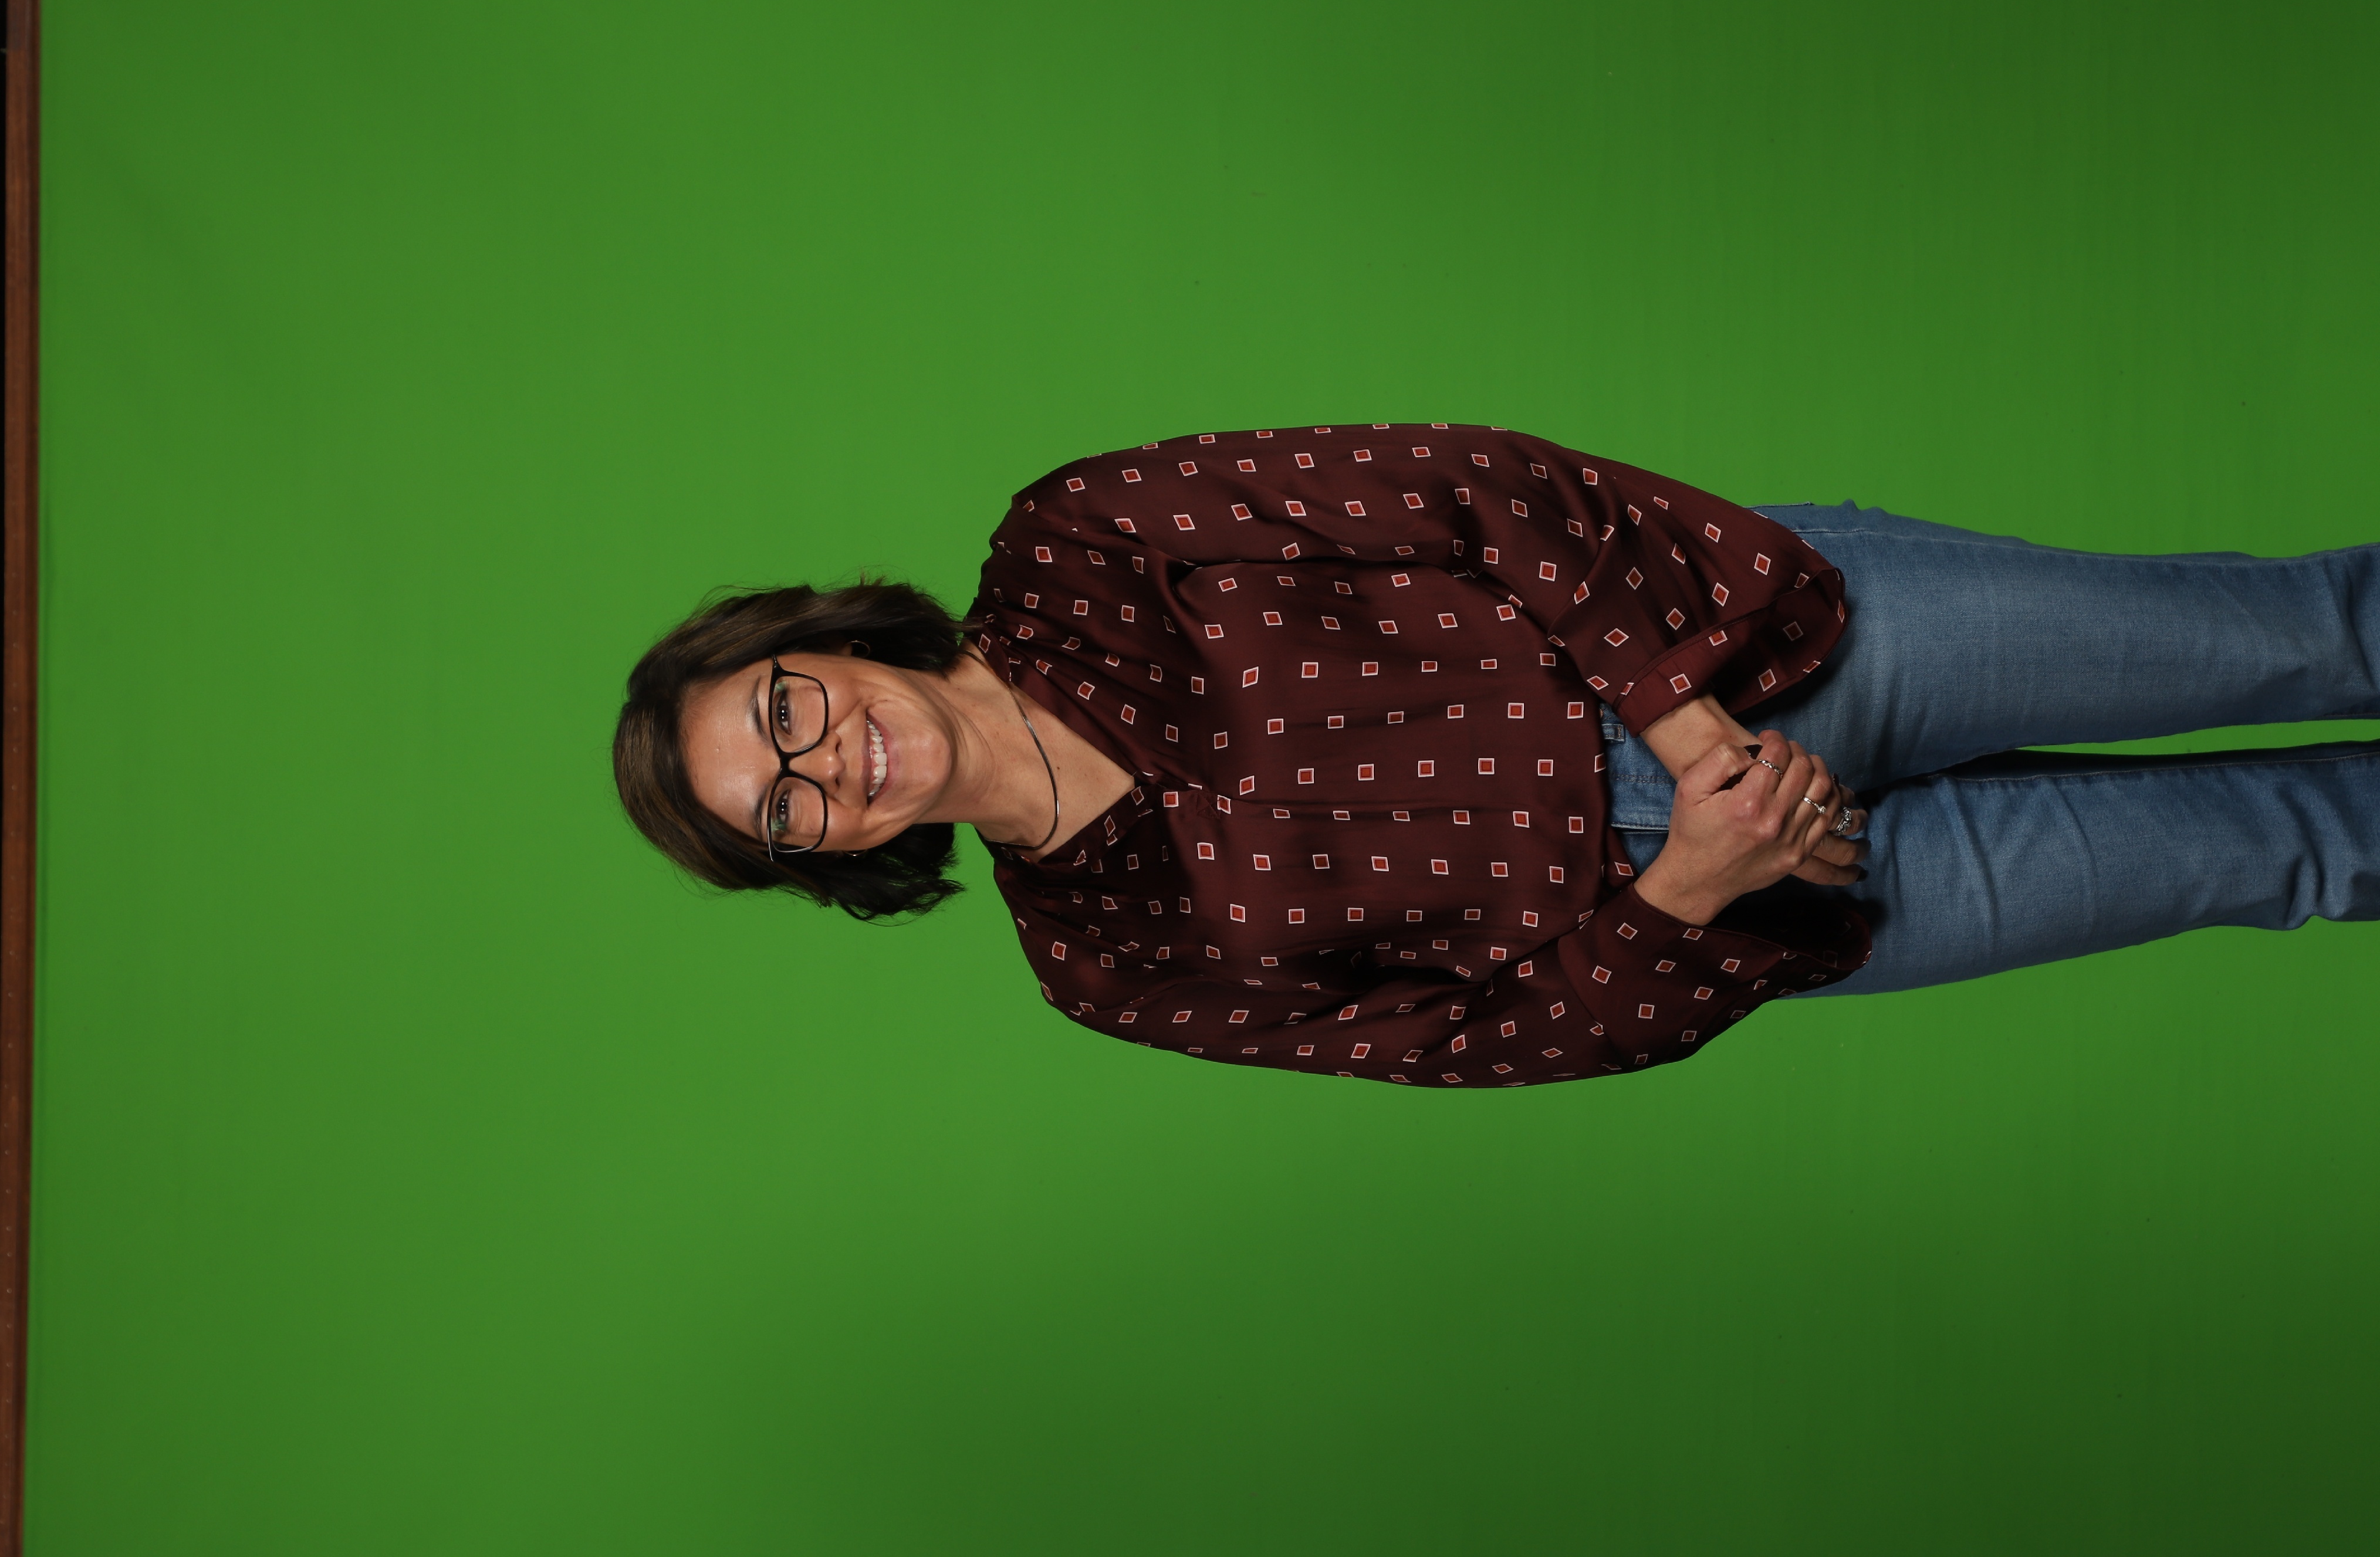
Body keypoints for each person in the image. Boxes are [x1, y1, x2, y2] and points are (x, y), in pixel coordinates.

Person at [613, 425, 2380, 1087]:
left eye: (784, 710)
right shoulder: (1103, 960)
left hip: (1753, 647)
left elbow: (1467, 488)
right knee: (2293, 854)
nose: (828, 765)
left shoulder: (1077, 541)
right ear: (828, 863)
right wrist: (1693, 881)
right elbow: (1466, 1045)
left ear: (816, 641)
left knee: (2311, 631)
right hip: (1775, 892)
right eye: (786, 813)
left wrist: (1681, 725)